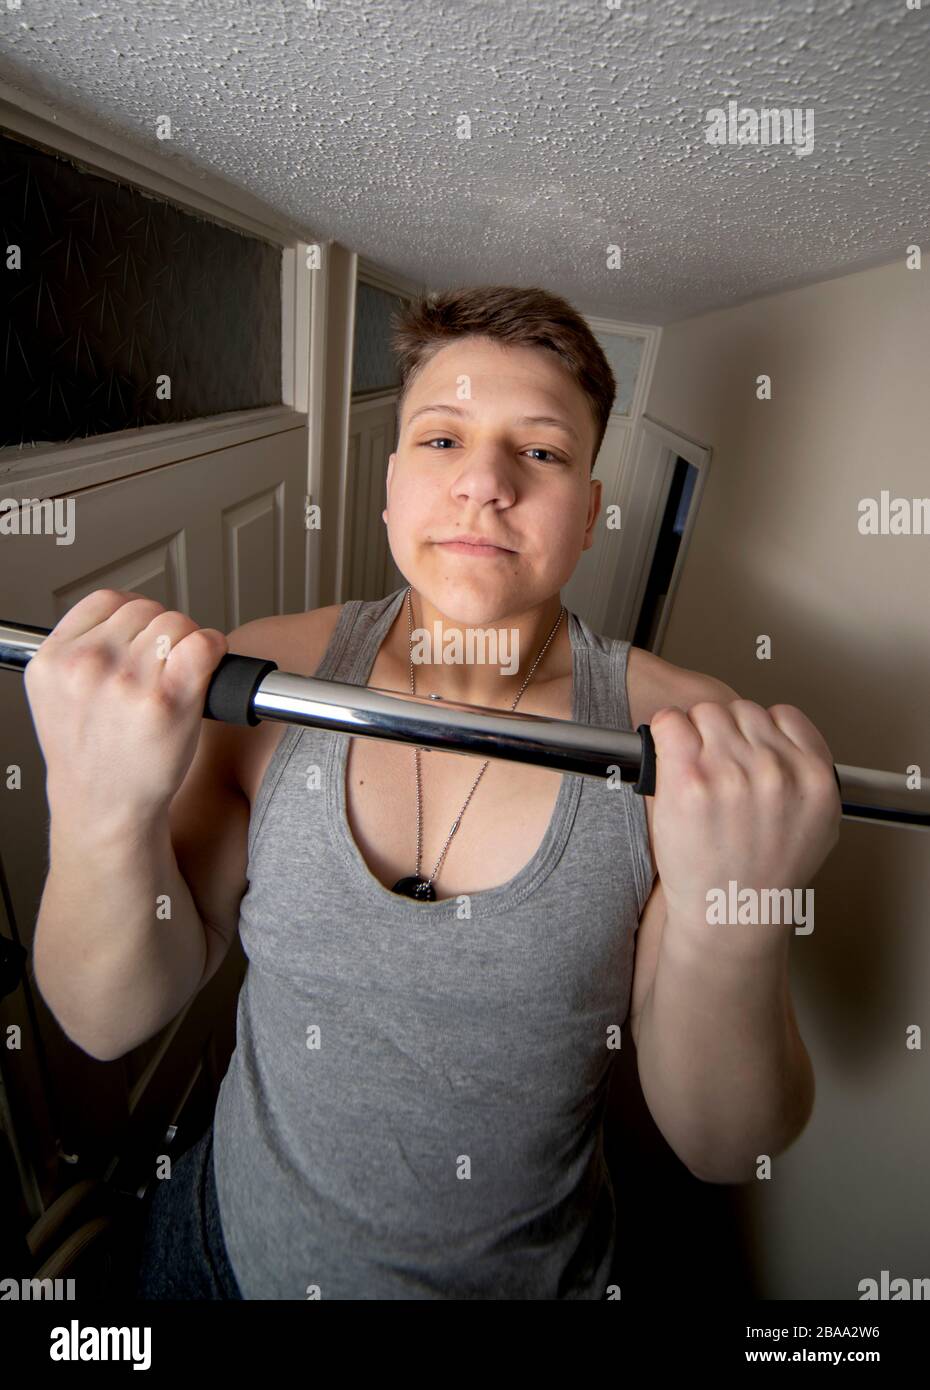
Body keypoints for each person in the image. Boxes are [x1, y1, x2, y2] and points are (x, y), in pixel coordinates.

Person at [27, 285, 841, 1299]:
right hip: (221, 1258)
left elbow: (728, 1147)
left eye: (539, 451)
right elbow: (108, 1020)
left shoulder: (677, 745)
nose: (485, 484)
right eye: (443, 439)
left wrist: (737, 915)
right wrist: (100, 810)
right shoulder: (261, 681)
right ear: (391, 485)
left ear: (589, 511)